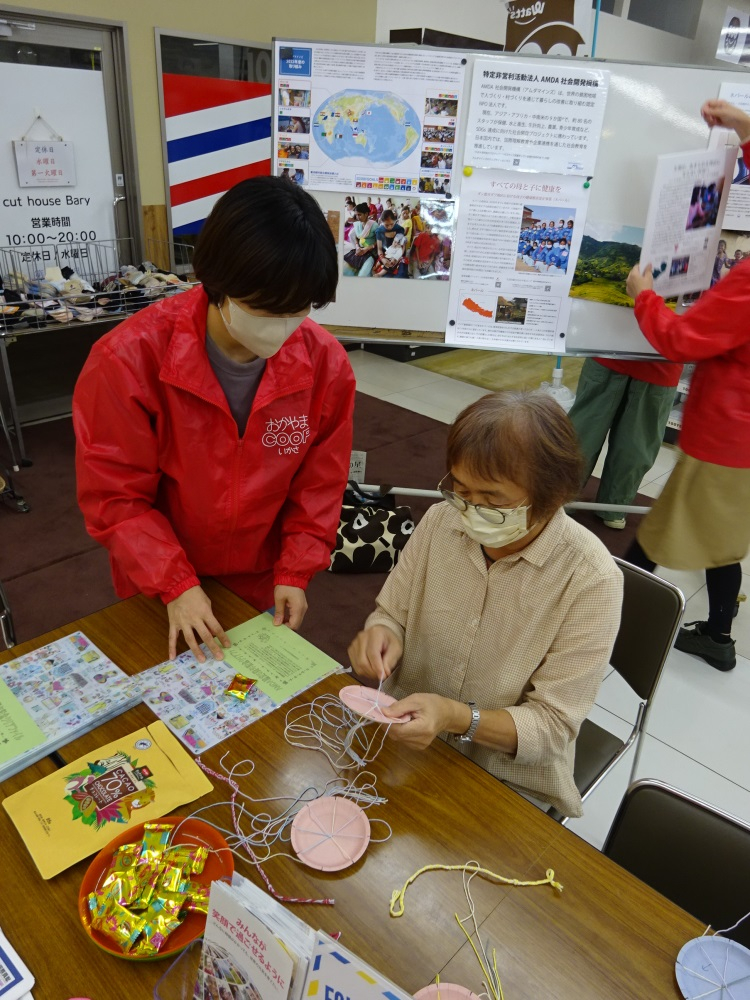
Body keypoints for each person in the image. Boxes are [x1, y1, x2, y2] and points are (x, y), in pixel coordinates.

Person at [74, 177, 356, 663]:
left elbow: (320, 484)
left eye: (301, 309)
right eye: (268, 309)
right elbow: (115, 497)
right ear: (219, 284)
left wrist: (295, 569)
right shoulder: (127, 359)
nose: (285, 327)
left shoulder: (325, 364)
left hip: (259, 574)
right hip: (158, 573)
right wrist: (176, 583)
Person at [347, 391, 623, 817]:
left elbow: (552, 727)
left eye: (494, 500)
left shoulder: (590, 580)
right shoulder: (442, 521)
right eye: (461, 489)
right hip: (405, 734)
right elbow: (392, 613)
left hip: (506, 778)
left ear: (550, 497)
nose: (472, 510)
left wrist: (458, 718)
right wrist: (382, 635)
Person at [622, 98, 750, 672]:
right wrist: (746, 132)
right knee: (721, 536)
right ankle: (719, 635)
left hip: (727, 436)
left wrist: (643, 296)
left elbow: (683, 339)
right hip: (739, 438)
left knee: (656, 539)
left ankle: (611, 619)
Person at [567, 354, 680, 530]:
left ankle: (564, 495)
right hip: (659, 359)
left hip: (612, 350)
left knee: (585, 429)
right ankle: (613, 507)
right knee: (637, 441)